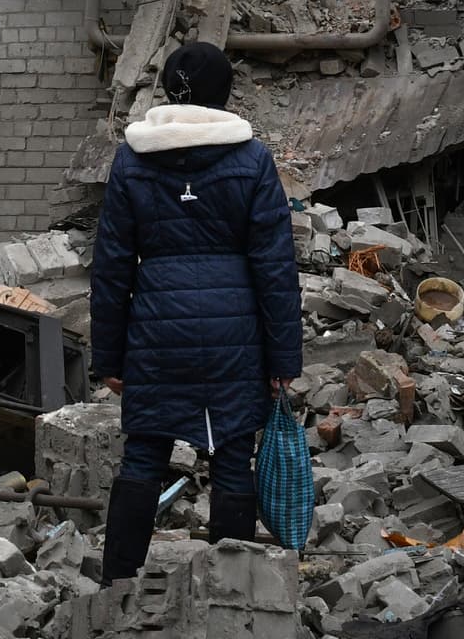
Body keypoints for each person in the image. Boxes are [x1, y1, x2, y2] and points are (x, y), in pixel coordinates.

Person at [88, 41, 303, 583]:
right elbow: (276, 268)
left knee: (144, 455)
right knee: (232, 459)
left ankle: (116, 588)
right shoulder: (251, 159)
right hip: (236, 338)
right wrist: (283, 360)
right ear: (223, 94)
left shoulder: (133, 159)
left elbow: (112, 266)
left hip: (157, 335)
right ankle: (231, 595)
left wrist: (108, 357)